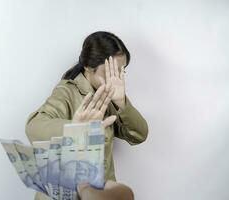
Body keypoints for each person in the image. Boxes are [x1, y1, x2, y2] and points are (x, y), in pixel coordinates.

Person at [25, 31, 148, 200]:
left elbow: (139, 135)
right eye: (110, 71)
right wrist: (75, 128)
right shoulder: (66, 91)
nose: (116, 78)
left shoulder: (109, 95)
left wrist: (121, 102)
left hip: (101, 194)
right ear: (89, 67)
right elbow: (34, 127)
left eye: (121, 71)